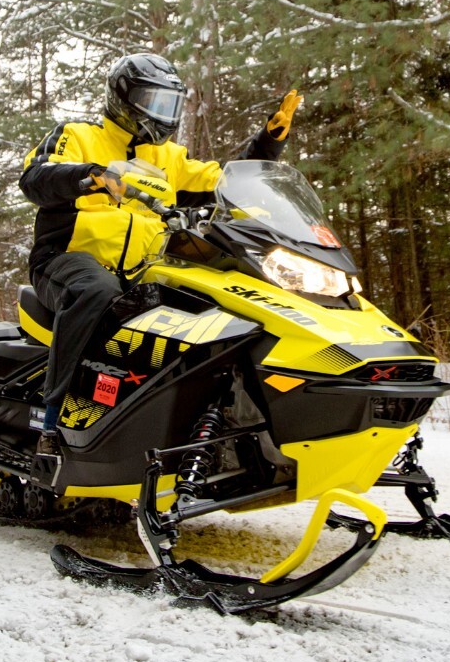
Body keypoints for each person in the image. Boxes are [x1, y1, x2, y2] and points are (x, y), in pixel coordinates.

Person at [18, 52, 301, 482]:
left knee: (204, 311)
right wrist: (91, 175)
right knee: (96, 290)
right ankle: (50, 422)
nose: (161, 115)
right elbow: (37, 178)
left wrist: (267, 144)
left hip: (140, 272)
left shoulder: (167, 157)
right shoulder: (77, 135)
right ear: (123, 99)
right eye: (152, 101)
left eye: (169, 104)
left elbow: (220, 182)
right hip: (68, 260)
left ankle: (189, 433)